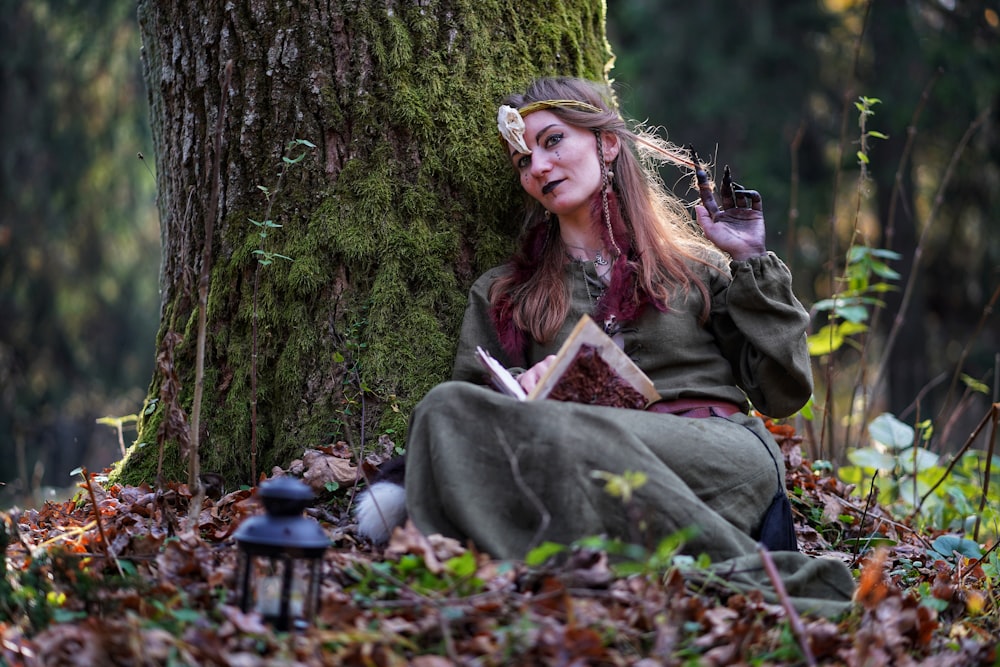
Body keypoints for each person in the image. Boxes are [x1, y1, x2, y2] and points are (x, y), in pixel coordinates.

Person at [356, 76, 855, 614]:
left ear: (607, 143)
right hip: (578, 460)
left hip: (714, 451)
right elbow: (479, 412)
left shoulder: (695, 265)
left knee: (566, 432)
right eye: (523, 161)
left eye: (552, 142)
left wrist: (751, 259)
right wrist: (525, 388)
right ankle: (641, 564)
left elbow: (782, 392)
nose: (539, 167)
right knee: (442, 408)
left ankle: (764, 583)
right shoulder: (505, 292)